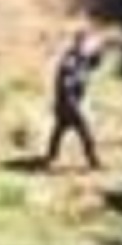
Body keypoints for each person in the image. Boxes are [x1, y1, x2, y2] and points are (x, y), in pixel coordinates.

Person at [42, 27, 103, 170]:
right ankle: (93, 161)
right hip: (68, 102)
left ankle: (51, 156)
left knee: (60, 129)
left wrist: (99, 50)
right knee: (85, 131)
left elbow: (95, 64)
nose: (88, 46)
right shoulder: (70, 60)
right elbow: (65, 84)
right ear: (79, 43)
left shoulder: (83, 57)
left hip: (72, 102)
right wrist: (73, 105)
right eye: (86, 43)